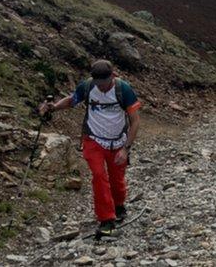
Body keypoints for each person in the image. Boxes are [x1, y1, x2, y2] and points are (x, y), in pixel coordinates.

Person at [40, 59, 142, 237]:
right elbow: (72, 100)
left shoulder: (123, 89)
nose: (101, 88)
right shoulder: (87, 86)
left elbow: (135, 121)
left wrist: (126, 149)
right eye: (98, 84)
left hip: (118, 141)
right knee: (98, 175)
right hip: (93, 139)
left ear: (112, 76)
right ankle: (106, 220)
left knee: (117, 179)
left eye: (105, 83)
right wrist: (54, 107)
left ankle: (118, 206)